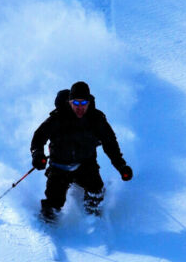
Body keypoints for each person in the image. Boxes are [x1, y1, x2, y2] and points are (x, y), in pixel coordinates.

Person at [30, 81, 133, 222]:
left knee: (96, 192)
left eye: (83, 103)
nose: (80, 107)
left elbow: (110, 144)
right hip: (59, 166)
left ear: (89, 102)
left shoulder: (96, 119)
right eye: (76, 103)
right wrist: (38, 155)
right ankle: (47, 232)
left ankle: (92, 219)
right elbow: (39, 137)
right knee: (53, 205)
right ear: (70, 102)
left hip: (85, 165)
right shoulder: (58, 118)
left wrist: (121, 166)